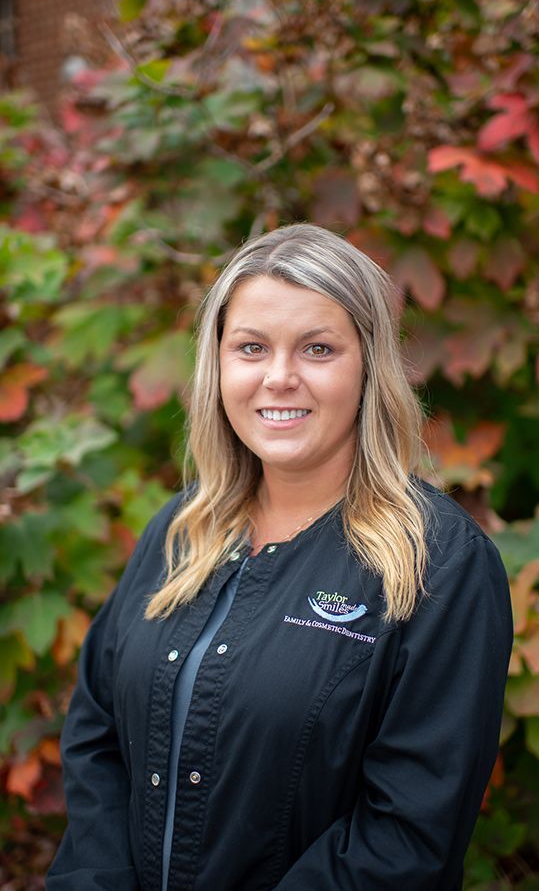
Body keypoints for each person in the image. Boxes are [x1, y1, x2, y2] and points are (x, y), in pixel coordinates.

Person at [47, 223, 513, 891]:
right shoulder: (179, 530)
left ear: (369, 367)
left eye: (318, 348)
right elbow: (96, 733)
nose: (279, 377)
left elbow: (409, 834)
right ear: (218, 364)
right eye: (251, 347)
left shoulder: (440, 566)